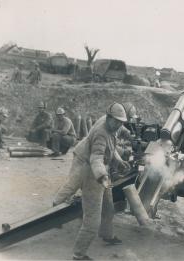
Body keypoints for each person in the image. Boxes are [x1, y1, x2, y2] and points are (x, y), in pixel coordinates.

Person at [53, 102, 130, 260]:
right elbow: (96, 158)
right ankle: (78, 254)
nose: (119, 125)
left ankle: (107, 235)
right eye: (117, 121)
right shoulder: (101, 132)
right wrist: (101, 176)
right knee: (92, 218)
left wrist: (120, 161)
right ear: (109, 117)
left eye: (121, 122)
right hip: (90, 166)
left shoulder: (111, 123)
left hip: (97, 165)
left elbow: (112, 146)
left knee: (108, 207)